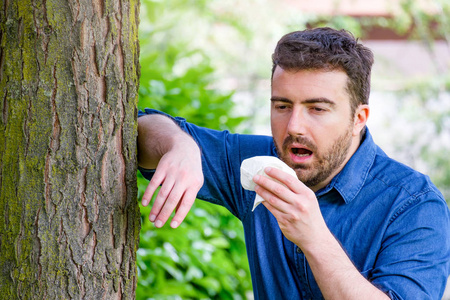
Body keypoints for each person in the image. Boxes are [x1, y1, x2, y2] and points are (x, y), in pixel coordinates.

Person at [137, 27, 450, 299]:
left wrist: (314, 237)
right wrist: (179, 145)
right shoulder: (259, 165)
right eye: (283, 106)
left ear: (359, 119)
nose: (294, 126)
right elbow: (139, 126)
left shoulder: (415, 206)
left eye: (317, 109)